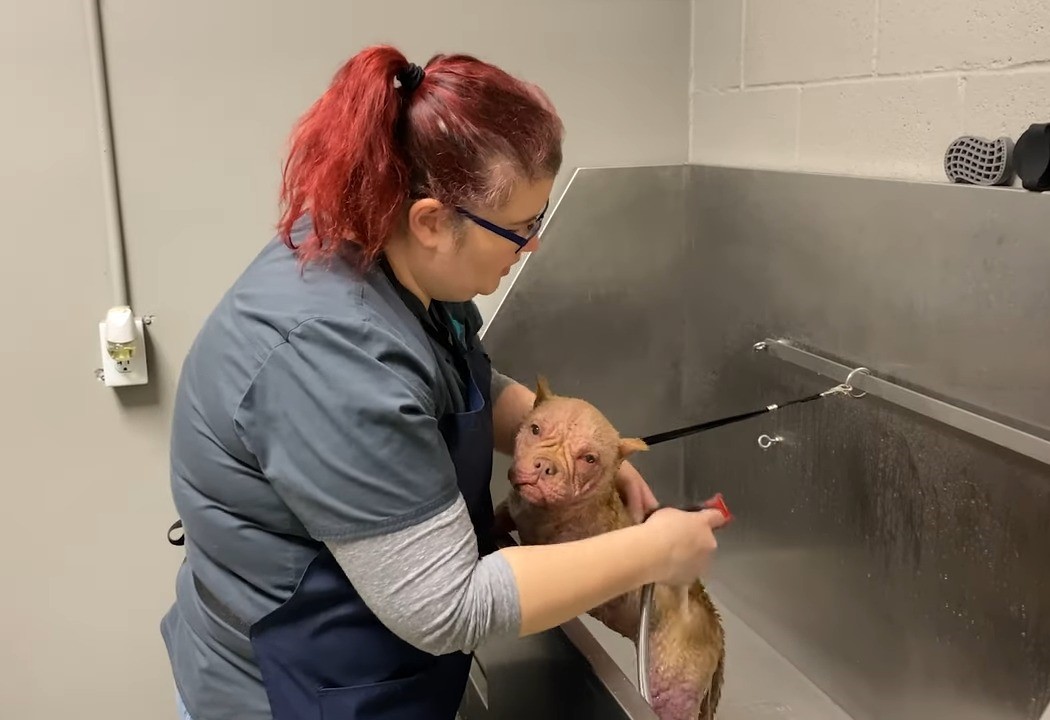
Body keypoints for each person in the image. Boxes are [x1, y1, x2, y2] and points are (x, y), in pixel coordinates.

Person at [160, 44, 728, 720]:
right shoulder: (332, 354)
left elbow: (455, 378)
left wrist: (578, 447)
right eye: (521, 228)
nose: (532, 246)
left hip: (366, 666)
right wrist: (658, 550)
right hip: (295, 693)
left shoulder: (388, 243)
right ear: (432, 221)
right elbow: (447, 606)